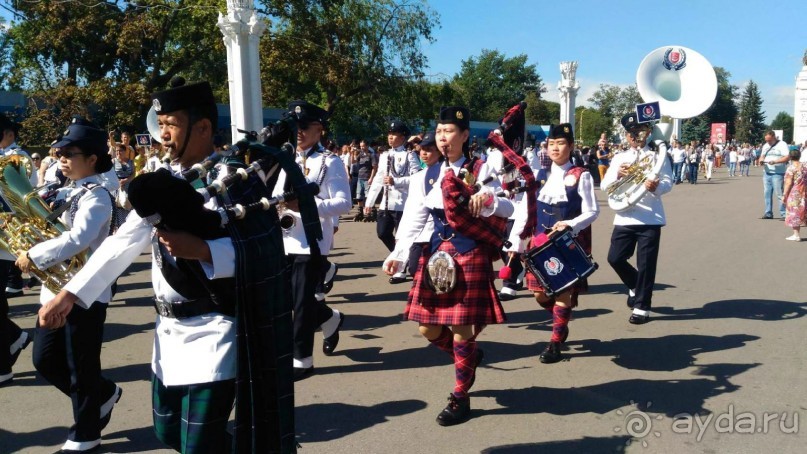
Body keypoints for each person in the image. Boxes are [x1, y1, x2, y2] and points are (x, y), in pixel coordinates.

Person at [39, 78, 297, 453]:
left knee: (198, 444)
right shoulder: (166, 180)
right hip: (168, 335)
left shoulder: (232, 178)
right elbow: (123, 241)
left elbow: (268, 250)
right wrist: (69, 295)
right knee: (168, 434)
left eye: (171, 125)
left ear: (204, 127)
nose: (162, 135)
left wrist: (205, 251)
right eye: (159, 126)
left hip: (216, 331)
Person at [383, 106, 514, 426]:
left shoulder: (478, 169)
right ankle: (468, 356)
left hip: (468, 254)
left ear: (465, 135)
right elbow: (415, 216)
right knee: (428, 328)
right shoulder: (425, 175)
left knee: (461, 331)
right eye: (439, 131)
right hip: (436, 257)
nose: (443, 138)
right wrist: (398, 253)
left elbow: (508, 205)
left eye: (449, 131)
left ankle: (460, 395)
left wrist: (488, 202)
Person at [15, 117, 121, 453]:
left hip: (85, 291)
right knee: (44, 360)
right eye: (60, 152)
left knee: (82, 365)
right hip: (55, 286)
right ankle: (104, 395)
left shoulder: (100, 196)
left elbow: (80, 237)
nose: (61, 157)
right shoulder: (65, 189)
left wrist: (35, 253)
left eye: (69, 153)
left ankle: (86, 434)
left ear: (92, 158)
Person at [507, 123, 598, 363]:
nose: (555, 148)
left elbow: (592, 212)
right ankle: (562, 321)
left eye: (560, 144)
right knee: (539, 295)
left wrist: (570, 224)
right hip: (539, 243)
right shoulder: (539, 175)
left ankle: (555, 342)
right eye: (551, 144)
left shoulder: (581, 174)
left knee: (562, 292)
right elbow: (527, 211)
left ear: (571, 146)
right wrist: (516, 241)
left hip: (566, 242)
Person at [273, 100, 351, 380]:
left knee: (303, 304)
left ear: (319, 129)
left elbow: (344, 203)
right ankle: (330, 319)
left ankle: (302, 360)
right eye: (295, 126)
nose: (299, 132)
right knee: (291, 299)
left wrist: (305, 205)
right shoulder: (285, 158)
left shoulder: (331, 161)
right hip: (283, 239)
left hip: (312, 241)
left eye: (304, 126)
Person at [600, 113, 673, 325]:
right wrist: (618, 175)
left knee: (646, 264)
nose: (635, 137)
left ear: (648, 133)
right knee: (615, 258)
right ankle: (634, 285)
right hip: (624, 216)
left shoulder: (658, 156)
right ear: (626, 135)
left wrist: (656, 187)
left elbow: (669, 181)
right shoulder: (619, 157)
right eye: (631, 133)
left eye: (639, 132)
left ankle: (642, 306)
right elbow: (605, 186)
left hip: (650, 217)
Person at [364, 121, 422, 283]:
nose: (390, 137)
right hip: (386, 204)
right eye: (389, 134)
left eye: (394, 134)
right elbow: (377, 180)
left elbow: (417, 179)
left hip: (402, 204)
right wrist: (370, 202)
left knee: (401, 238)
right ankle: (403, 258)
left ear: (403, 137)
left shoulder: (409, 155)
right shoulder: (384, 155)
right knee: (382, 233)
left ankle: (400, 269)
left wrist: (397, 181)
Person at [759, 130, 790, 219]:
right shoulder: (765, 146)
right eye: (766, 140)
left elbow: (787, 157)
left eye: (769, 140)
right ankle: (768, 212)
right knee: (767, 193)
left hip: (778, 172)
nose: (768, 142)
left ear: (774, 137)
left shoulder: (782, 144)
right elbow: (762, 156)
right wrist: (761, 160)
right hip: (767, 172)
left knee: (779, 194)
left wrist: (775, 161)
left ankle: (784, 213)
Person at [783, 147, 806, 241]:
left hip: (795, 191)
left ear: (790, 157)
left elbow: (788, 183)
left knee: (794, 212)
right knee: (804, 211)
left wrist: (784, 194)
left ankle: (796, 235)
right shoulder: (805, 166)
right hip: (805, 190)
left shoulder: (791, 168)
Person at [353, 140, 377, 221]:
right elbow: (353, 162)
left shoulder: (371, 155)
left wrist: (371, 178)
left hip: (367, 177)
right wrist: (352, 153)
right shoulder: (361, 155)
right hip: (360, 177)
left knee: (368, 196)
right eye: (361, 146)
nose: (362, 148)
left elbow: (374, 167)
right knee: (359, 196)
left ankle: (371, 212)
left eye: (363, 146)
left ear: (367, 146)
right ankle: (360, 212)